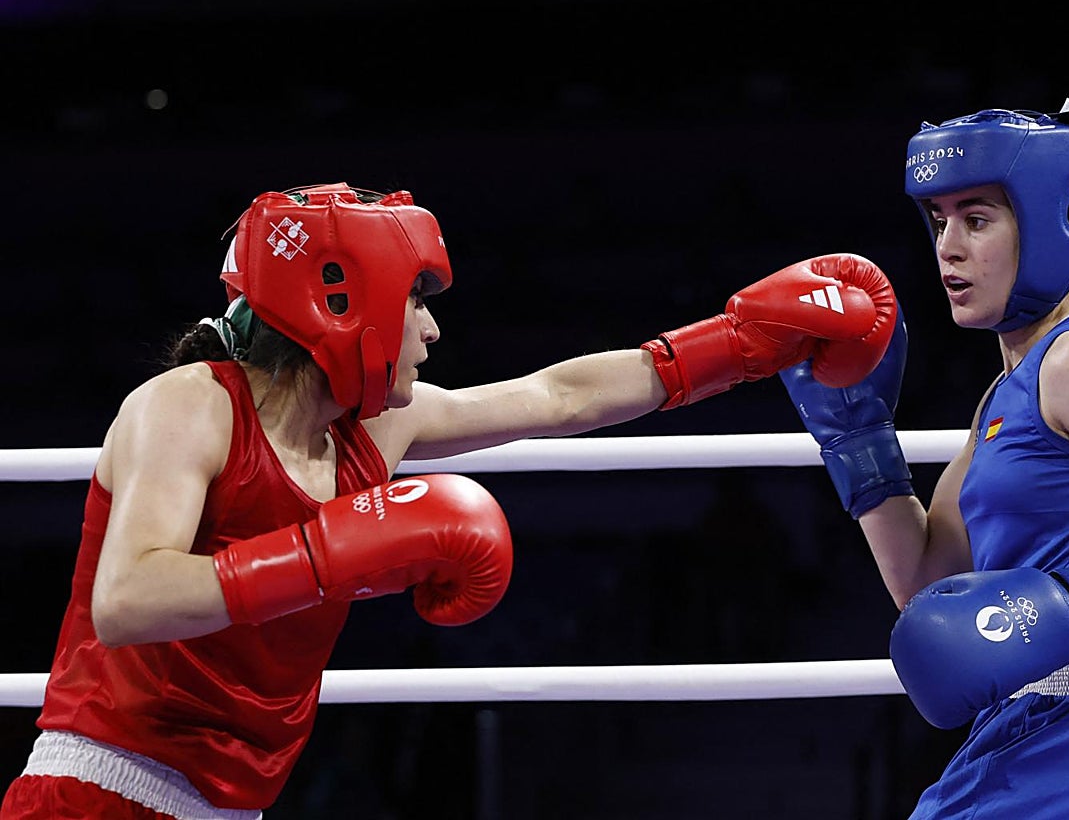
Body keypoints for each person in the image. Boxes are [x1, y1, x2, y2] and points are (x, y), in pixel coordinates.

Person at [0, 182, 897, 819]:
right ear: (338, 303)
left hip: (234, 804)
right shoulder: (188, 405)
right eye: (416, 302)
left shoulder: (371, 431)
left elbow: (559, 397)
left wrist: (735, 344)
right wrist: (322, 557)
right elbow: (126, 601)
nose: (430, 330)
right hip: (101, 788)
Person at [782, 98, 1069, 817]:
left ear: (1049, 224)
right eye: (940, 221)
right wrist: (861, 446)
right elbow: (928, 588)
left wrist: (1056, 607)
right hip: (1029, 733)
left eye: (977, 220)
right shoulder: (1005, 394)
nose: (947, 246)